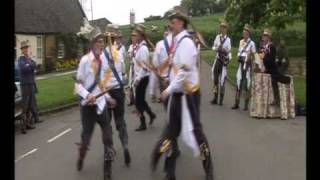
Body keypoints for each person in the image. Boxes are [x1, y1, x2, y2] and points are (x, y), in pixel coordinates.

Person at [151, 11, 214, 180]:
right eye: (170, 21)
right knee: (171, 133)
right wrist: (165, 79)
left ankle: (209, 170)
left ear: (181, 24)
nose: (170, 25)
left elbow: (184, 73)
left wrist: (167, 90)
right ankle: (169, 173)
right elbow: (173, 68)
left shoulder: (186, 44)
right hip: (177, 95)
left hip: (188, 96)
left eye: (173, 21)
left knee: (197, 133)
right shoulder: (177, 42)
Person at [74, 23, 116, 180]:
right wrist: (87, 95)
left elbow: (101, 84)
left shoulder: (104, 60)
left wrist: (107, 97)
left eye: (102, 41)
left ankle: (107, 170)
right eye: (99, 41)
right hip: (88, 107)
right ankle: (81, 156)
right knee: (86, 138)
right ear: (92, 44)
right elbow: (77, 85)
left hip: (101, 105)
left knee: (108, 137)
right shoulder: (85, 61)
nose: (101, 44)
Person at [103, 24, 131, 166]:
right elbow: (123, 74)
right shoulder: (119, 53)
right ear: (115, 39)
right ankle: (125, 144)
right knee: (120, 121)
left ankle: (108, 150)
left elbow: (100, 77)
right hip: (118, 90)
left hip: (107, 91)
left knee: (107, 124)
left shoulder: (102, 55)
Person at [131, 24, 157, 131]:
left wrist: (137, 79)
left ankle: (143, 123)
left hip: (143, 77)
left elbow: (145, 67)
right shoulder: (139, 47)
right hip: (141, 77)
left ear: (141, 36)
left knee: (137, 102)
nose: (133, 37)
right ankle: (151, 114)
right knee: (141, 100)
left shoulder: (143, 49)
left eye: (135, 35)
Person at [259, 28, 291, 106]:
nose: (263, 38)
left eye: (265, 36)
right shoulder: (263, 47)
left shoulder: (271, 47)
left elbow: (271, 60)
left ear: (269, 38)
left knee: (275, 79)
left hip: (272, 69)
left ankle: (276, 99)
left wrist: (264, 58)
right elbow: (260, 56)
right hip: (265, 68)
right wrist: (259, 58)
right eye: (263, 36)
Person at [18, 41, 42, 134]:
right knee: (25, 106)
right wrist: (31, 66)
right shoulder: (21, 59)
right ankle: (23, 127)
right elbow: (25, 69)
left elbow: (34, 66)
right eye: (24, 48)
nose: (26, 49)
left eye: (27, 48)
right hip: (25, 85)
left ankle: (28, 123)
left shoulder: (29, 59)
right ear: (22, 50)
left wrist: (30, 66)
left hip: (31, 83)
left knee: (31, 104)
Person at [231, 24, 257, 110]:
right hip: (241, 63)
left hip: (248, 65)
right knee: (238, 82)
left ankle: (246, 105)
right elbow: (239, 51)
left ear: (248, 34)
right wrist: (238, 56)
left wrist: (250, 57)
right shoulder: (241, 42)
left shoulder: (252, 43)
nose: (244, 35)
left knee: (247, 84)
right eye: (243, 33)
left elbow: (254, 55)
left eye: (245, 33)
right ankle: (236, 103)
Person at [210, 19, 231, 105]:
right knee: (215, 79)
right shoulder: (217, 37)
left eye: (224, 28)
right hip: (218, 59)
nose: (222, 29)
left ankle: (221, 99)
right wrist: (218, 48)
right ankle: (215, 97)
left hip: (223, 61)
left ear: (226, 29)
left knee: (222, 80)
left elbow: (229, 51)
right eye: (221, 28)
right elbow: (213, 47)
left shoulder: (228, 40)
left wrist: (226, 54)